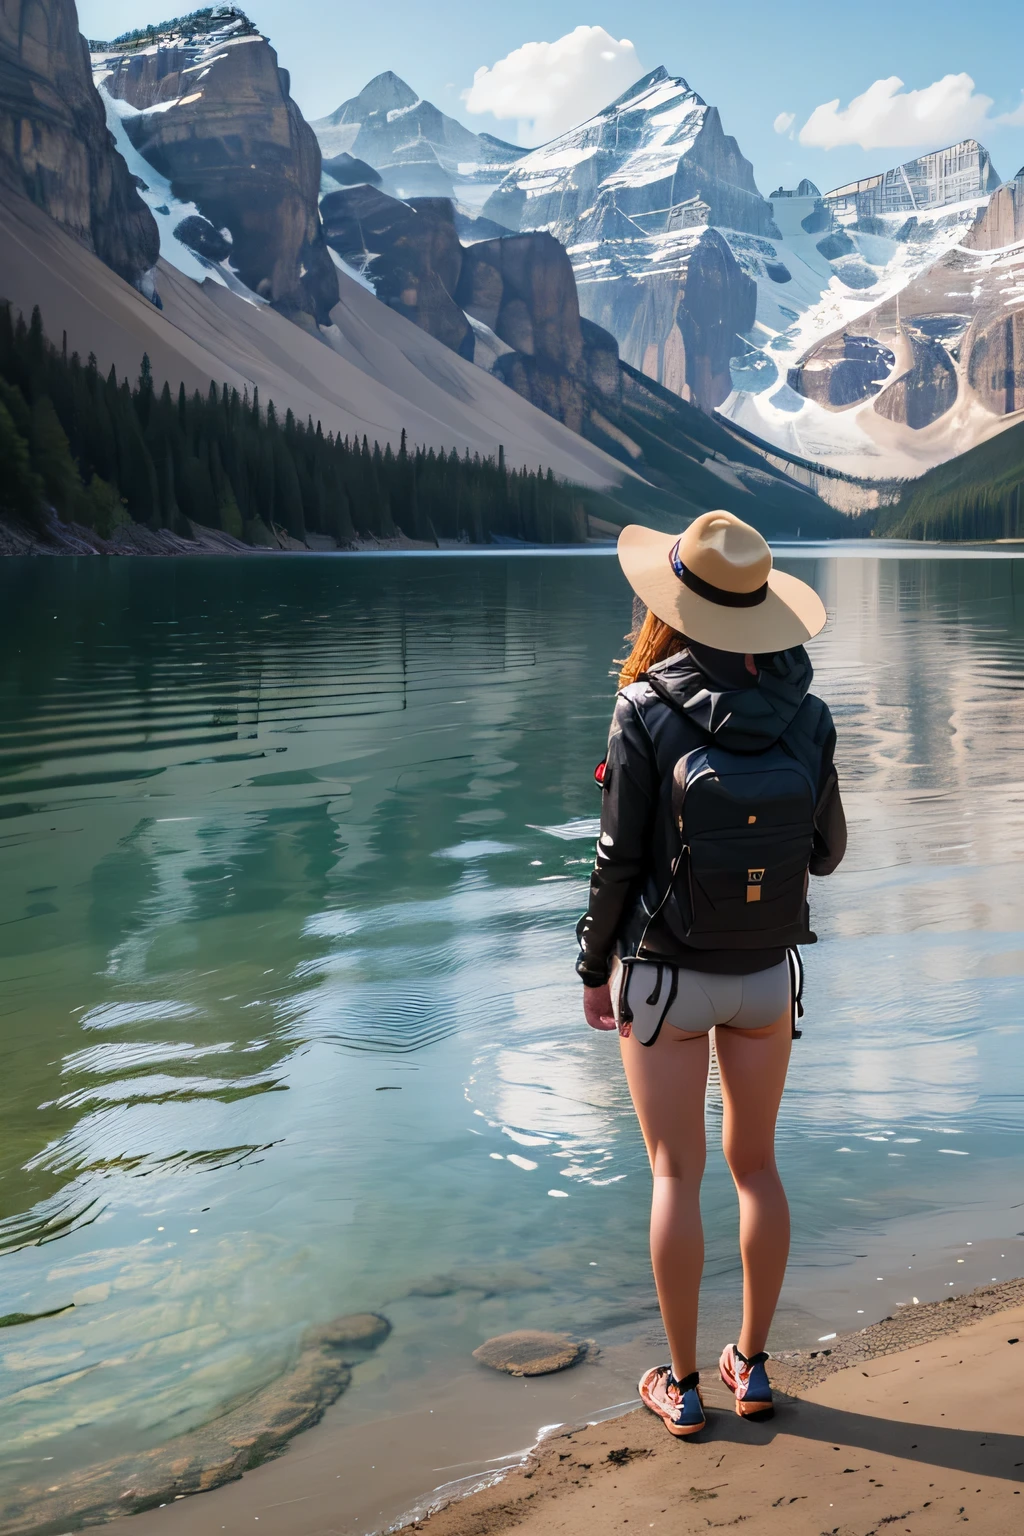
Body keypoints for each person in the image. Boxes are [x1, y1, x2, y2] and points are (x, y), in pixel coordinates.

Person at [577, 512, 846, 1439]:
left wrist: (591, 967)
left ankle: (685, 1387)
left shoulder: (644, 707)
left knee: (673, 1173)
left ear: (674, 603)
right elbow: (827, 854)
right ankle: (754, 1368)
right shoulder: (808, 715)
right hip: (767, 979)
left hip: (666, 983)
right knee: (757, 1168)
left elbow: (617, 864)